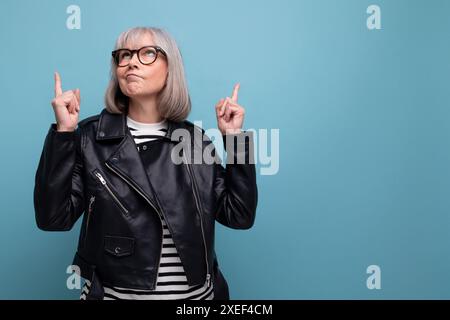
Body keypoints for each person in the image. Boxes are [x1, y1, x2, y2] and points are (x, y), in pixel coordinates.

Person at [33, 26, 258, 300]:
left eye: (147, 53)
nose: (132, 62)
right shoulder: (91, 138)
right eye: (124, 55)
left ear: (170, 67)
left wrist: (234, 140)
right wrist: (63, 135)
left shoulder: (194, 140)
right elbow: (53, 219)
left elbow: (239, 215)